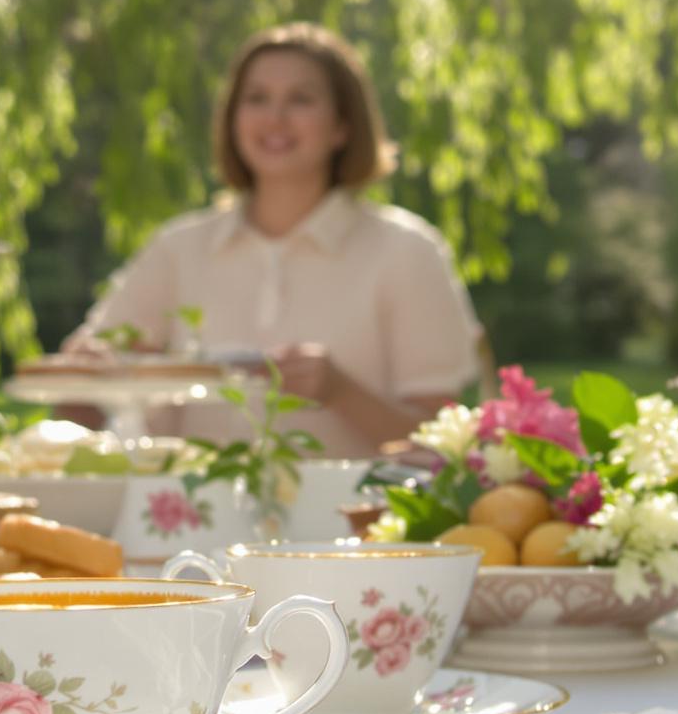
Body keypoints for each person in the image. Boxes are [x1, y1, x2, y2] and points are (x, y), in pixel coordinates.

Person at [65, 24, 483, 458]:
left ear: (343, 125)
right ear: (232, 120)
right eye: (256, 99)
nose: (274, 118)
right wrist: (87, 377)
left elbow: (443, 448)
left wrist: (341, 392)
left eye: (300, 99)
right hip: (184, 523)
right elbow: (77, 411)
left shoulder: (408, 252)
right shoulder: (177, 250)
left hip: (356, 524)